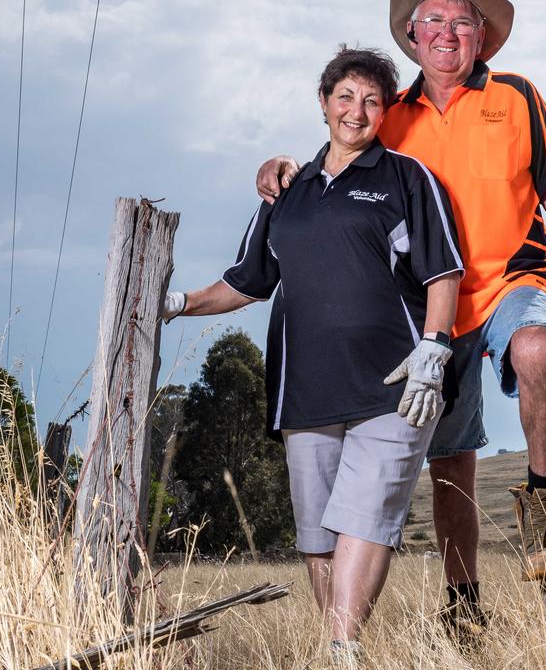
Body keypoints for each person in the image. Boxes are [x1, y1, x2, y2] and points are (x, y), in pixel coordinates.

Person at [256, 0, 546, 634]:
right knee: (450, 464)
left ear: (483, 38)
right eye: (435, 22)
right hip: (428, 308)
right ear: (413, 37)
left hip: (511, 279)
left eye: (463, 23)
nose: (448, 34)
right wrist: (278, 166)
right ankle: (464, 603)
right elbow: (334, 165)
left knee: (538, 350)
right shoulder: (390, 115)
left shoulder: (516, 97)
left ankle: (542, 498)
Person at [163, 47, 463, 664]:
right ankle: (338, 648)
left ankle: (342, 649)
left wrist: (433, 349)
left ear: (385, 111)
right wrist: (170, 303)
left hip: (396, 384)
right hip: (305, 389)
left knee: (366, 517)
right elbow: (245, 283)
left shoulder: (407, 179)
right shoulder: (287, 192)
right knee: (319, 536)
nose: (357, 111)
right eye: (345, 97)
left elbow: (442, 275)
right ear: (323, 103)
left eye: (372, 100)